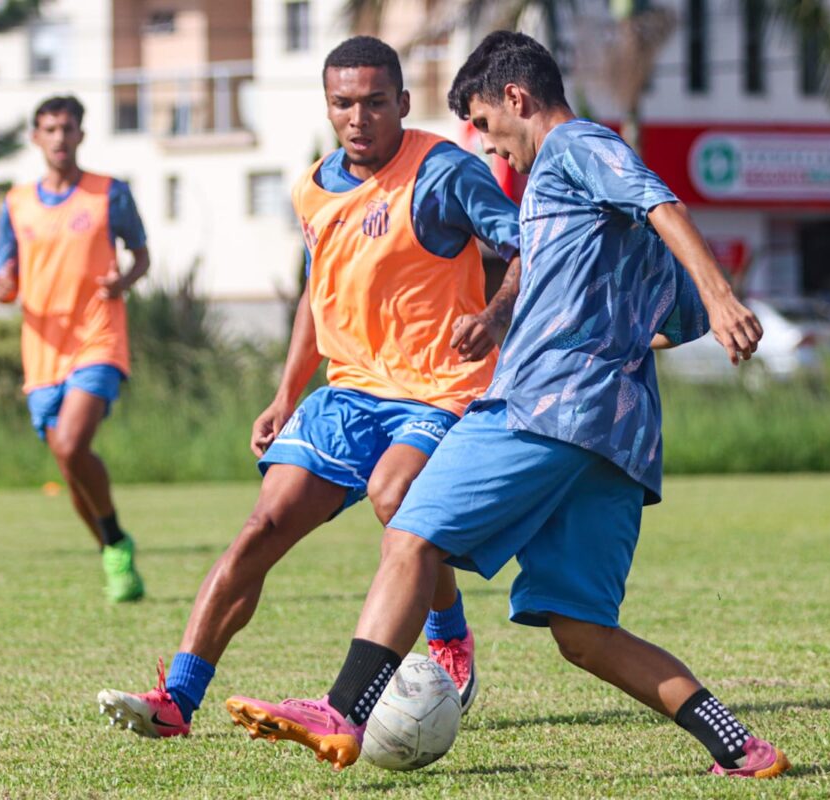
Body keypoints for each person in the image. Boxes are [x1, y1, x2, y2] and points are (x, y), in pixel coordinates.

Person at [223, 32, 791, 779]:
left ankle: (343, 711)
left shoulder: (575, 147)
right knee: (582, 631)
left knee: (410, 529)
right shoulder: (583, 213)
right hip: (616, 441)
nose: (495, 154)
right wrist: (509, 321)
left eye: (489, 127)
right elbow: (664, 317)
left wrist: (723, 298)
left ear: (517, 100)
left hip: (540, 411)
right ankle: (739, 746)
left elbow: (662, 201)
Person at [96, 36, 521, 737]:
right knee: (260, 530)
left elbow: (525, 246)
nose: (360, 117)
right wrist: (285, 394)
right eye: (344, 104)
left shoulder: (444, 170)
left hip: (440, 389)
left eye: (376, 102)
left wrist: (494, 315)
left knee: (396, 498)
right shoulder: (313, 186)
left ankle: (446, 631)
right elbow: (315, 297)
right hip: (348, 395)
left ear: (403, 103)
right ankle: (178, 699)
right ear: (328, 107)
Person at [0, 95, 149, 603]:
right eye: (50, 129)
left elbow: (142, 256)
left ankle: (115, 545)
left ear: (81, 134)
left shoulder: (109, 194)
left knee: (72, 444)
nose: (59, 138)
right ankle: (114, 544)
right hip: (41, 352)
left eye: (68, 128)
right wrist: (1, 287)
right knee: (67, 465)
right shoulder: (15, 203)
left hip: (98, 339)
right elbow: (5, 276)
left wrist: (122, 281)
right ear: (36, 137)